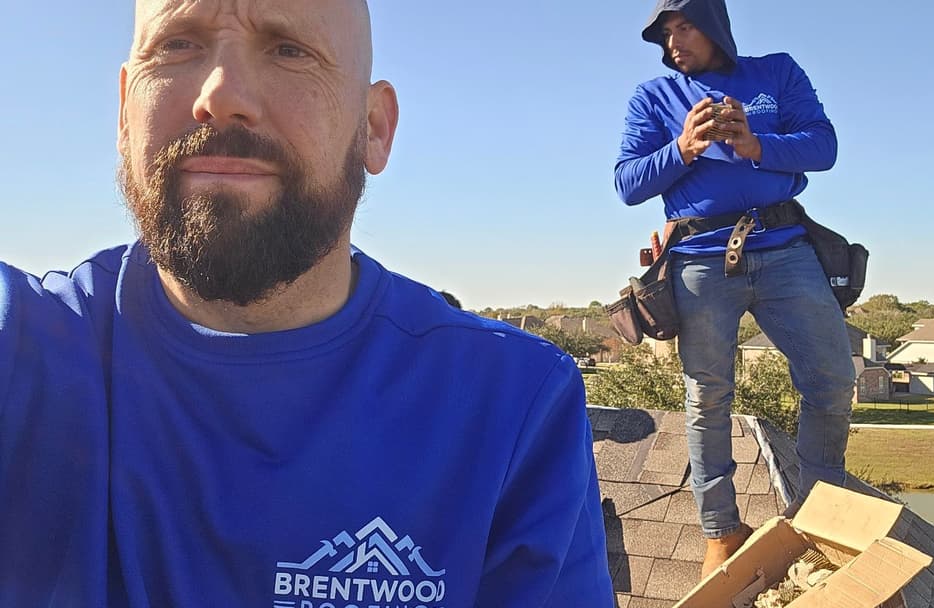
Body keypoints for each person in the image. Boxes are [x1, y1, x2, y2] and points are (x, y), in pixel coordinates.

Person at [0, 1, 613, 605]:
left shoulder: (512, 406)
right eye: (176, 46)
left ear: (373, 127)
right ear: (125, 114)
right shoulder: (26, 349)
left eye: (288, 50)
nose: (219, 93)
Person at [614, 0, 856, 579]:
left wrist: (757, 146)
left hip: (784, 247)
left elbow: (824, 146)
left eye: (685, 26)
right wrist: (683, 148)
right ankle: (721, 531)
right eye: (666, 34)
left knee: (831, 379)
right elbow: (626, 183)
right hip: (698, 262)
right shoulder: (653, 97)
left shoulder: (776, 72)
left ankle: (817, 518)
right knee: (707, 395)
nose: (675, 42)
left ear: (716, 26)